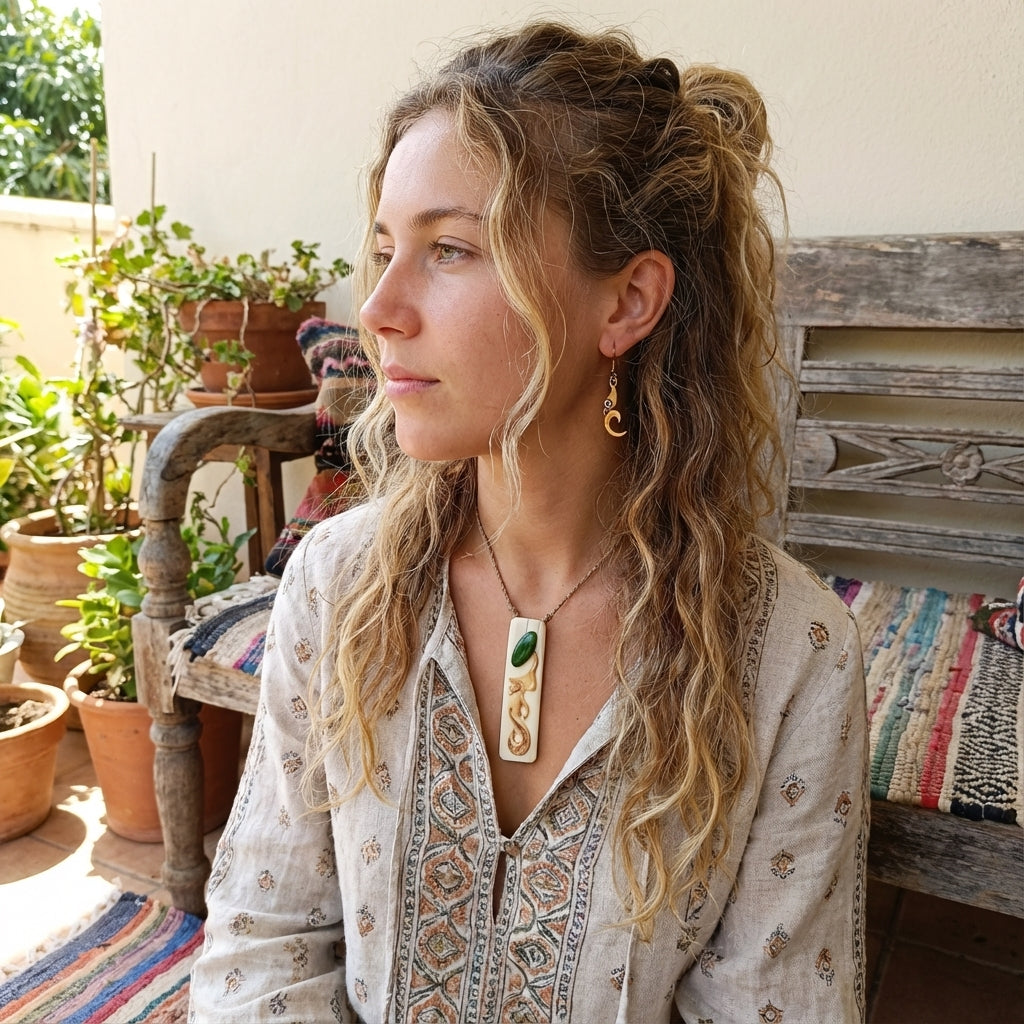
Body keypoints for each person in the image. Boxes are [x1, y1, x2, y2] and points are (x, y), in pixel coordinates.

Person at [189, 20, 868, 1023]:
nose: (376, 307)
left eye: (450, 249)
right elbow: (261, 948)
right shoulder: (337, 586)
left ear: (626, 300)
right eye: (384, 249)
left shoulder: (789, 656)